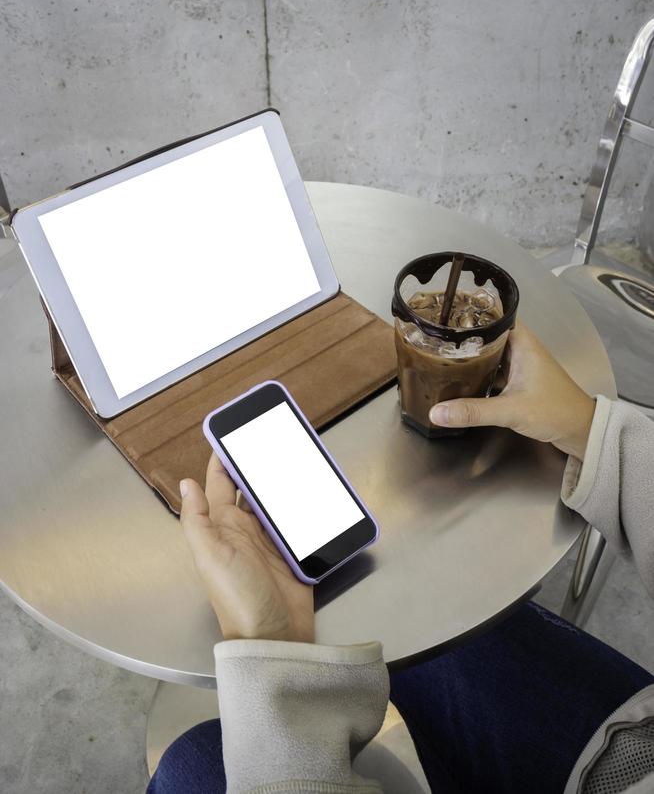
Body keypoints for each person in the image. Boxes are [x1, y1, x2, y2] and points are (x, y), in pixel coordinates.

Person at [147, 324, 654, 794]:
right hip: (633, 747)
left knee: (190, 767)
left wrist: (271, 651)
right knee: (410, 611)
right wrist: (593, 432)